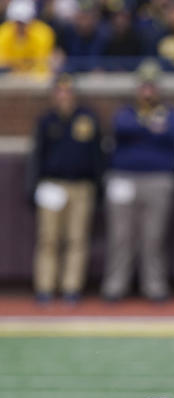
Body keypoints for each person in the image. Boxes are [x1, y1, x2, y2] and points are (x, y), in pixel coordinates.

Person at [101, 59, 174, 303]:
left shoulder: (170, 113)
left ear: (159, 89)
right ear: (137, 88)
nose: (148, 91)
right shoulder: (125, 111)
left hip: (158, 180)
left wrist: (144, 128)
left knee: (153, 238)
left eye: (152, 86)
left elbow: (170, 132)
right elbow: (122, 129)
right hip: (123, 178)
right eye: (144, 86)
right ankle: (115, 286)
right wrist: (149, 127)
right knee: (121, 236)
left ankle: (154, 286)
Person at [27, 73, 104, 305]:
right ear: (53, 95)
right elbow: (36, 156)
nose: (64, 96)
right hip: (52, 185)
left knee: (77, 238)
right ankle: (45, 288)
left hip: (81, 186)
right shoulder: (46, 120)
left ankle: (72, 288)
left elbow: (97, 155)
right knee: (48, 239)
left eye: (67, 91)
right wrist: (33, 187)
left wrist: (98, 186)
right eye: (59, 92)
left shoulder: (87, 118)